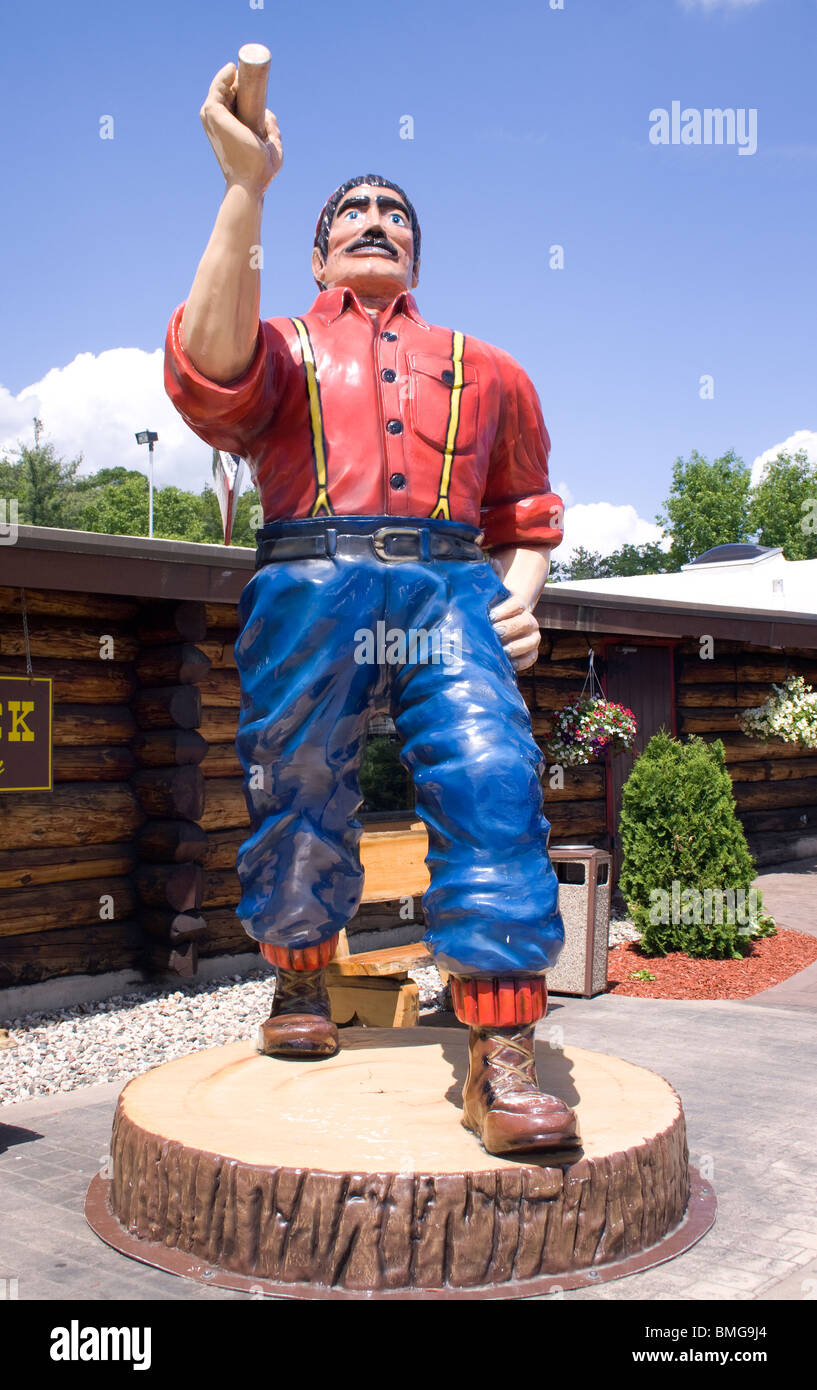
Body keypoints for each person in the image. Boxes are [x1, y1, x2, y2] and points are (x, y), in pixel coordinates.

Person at [164, 59, 580, 1156]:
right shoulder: (282, 346)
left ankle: (501, 1047)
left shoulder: (485, 366)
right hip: (310, 570)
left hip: (451, 581)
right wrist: (245, 187)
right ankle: (301, 982)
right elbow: (206, 372)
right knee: (295, 770)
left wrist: (521, 599)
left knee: (492, 770)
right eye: (350, 209)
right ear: (314, 252)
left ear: (417, 251)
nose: (374, 219)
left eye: (395, 212)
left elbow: (525, 511)